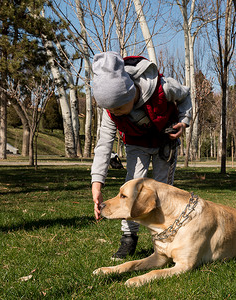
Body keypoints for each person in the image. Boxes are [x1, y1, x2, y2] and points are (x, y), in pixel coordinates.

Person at [91, 51, 192, 260]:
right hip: (136, 144)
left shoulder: (162, 87)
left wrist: (183, 121)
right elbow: (103, 145)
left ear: (129, 93)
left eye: (119, 108)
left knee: (164, 190)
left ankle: (165, 237)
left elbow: (185, 95)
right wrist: (97, 184)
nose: (115, 113)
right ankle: (128, 237)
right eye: (111, 109)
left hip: (165, 141)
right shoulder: (111, 109)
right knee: (131, 188)